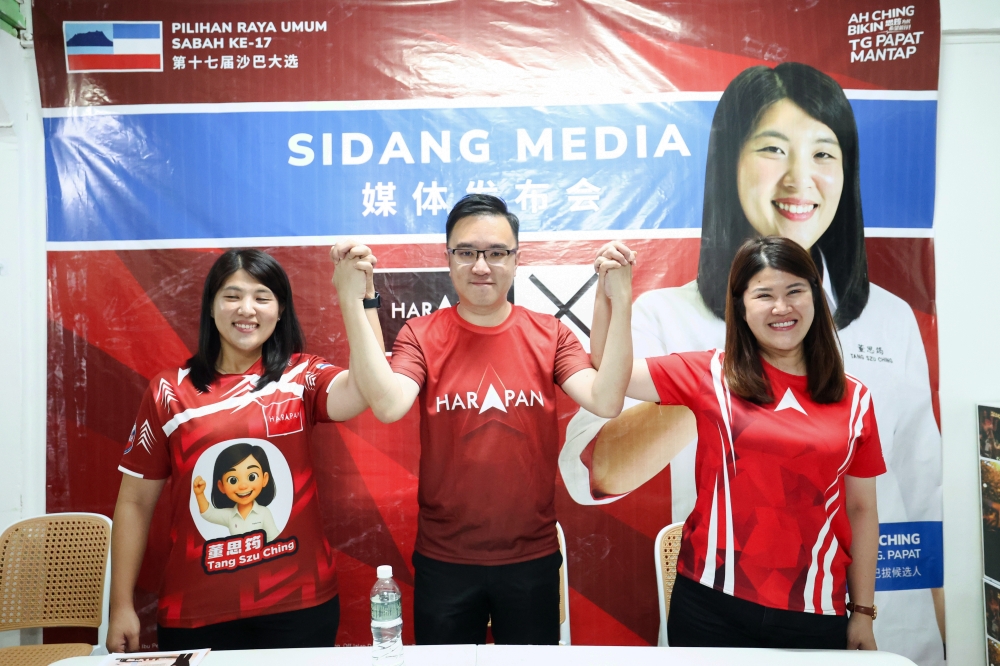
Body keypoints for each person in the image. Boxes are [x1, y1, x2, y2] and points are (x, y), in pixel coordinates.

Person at [560, 62, 944, 663]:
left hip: (827, 614)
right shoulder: (694, 352)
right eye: (772, 147)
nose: (801, 178)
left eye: (825, 153)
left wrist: (874, 617)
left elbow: (911, 502)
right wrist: (616, 299)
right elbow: (598, 436)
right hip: (713, 607)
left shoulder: (870, 360)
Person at [331, 193, 634, 645]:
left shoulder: (549, 334)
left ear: (516, 258)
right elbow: (389, 404)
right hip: (444, 561)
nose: (481, 266)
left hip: (531, 558)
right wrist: (351, 299)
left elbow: (606, 400)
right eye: (467, 252)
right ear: (448, 257)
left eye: (496, 253)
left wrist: (621, 299)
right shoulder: (422, 333)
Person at [590, 235, 883, 649]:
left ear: (816, 297)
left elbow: (862, 510)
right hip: (710, 604)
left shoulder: (855, 399)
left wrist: (863, 613)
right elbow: (608, 368)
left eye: (795, 291)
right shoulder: (711, 373)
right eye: (764, 295)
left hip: (815, 612)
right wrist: (612, 295)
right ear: (741, 307)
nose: (782, 308)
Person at [107, 248, 383, 652]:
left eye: (262, 297)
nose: (246, 309)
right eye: (232, 296)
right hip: (194, 612)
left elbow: (369, 387)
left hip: (299, 606)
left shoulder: (301, 376)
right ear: (212, 306)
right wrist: (120, 606)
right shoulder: (169, 391)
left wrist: (364, 297)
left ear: (280, 308)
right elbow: (133, 503)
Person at [193, 442, 280, 542]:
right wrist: (199, 494)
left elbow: (274, 538)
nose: (243, 486)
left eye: (252, 477)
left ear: (264, 479)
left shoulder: (264, 513)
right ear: (221, 486)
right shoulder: (230, 515)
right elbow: (209, 514)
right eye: (233, 480)